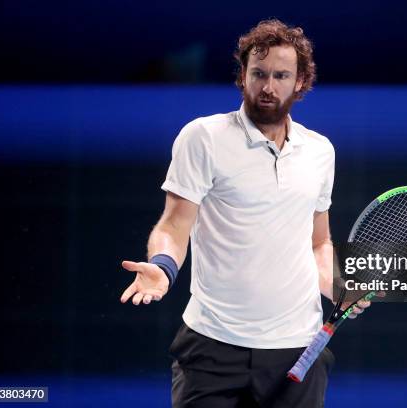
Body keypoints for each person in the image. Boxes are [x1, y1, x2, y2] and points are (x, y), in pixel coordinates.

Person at [120, 19, 370, 407]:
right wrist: (164, 266)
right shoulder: (203, 137)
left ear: (301, 81)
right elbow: (174, 224)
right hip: (212, 346)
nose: (268, 87)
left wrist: (338, 286)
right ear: (243, 76)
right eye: (259, 74)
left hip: (298, 349)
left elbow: (318, 242)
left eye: (281, 75)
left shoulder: (321, 152)